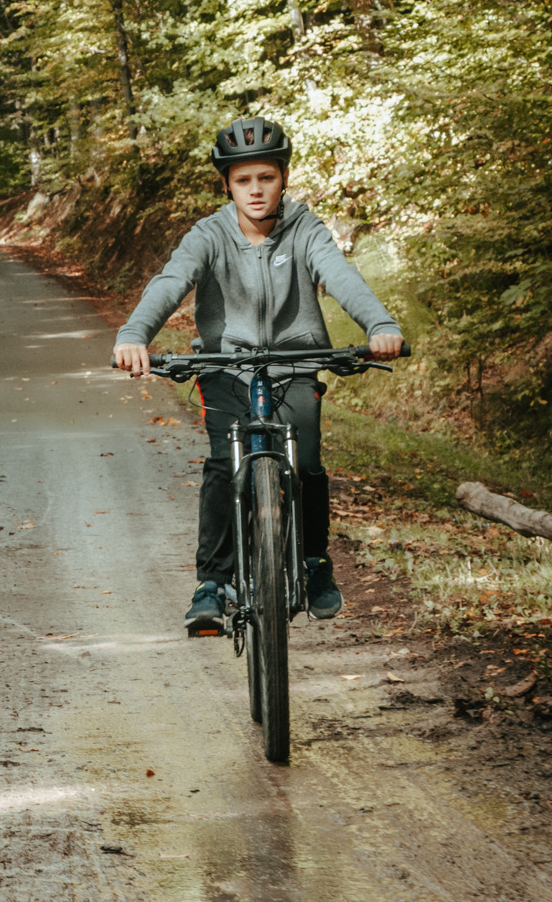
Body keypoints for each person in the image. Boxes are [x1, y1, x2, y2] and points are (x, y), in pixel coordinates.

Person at [112, 118, 403, 633]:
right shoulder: (209, 234)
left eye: (265, 178)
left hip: (294, 365)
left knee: (307, 462)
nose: (255, 190)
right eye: (243, 180)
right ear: (227, 183)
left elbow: (340, 276)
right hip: (224, 367)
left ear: (283, 178)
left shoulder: (306, 228)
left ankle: (314, 562)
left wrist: (379, 323)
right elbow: (172, 280)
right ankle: (212, 583)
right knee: (224, 465)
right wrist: (135, 335)